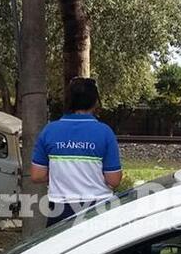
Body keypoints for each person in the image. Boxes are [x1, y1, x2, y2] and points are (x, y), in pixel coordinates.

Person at [31, 77, 123, 226]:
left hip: (60, 210)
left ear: (68, 101)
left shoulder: (49, 131)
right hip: (98, 209)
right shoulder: (105, 132)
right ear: (95, 101)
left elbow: (37, 175)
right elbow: (114, 180)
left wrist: (62, 175)